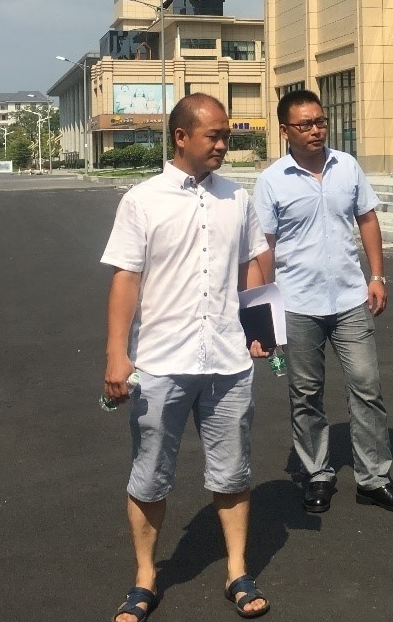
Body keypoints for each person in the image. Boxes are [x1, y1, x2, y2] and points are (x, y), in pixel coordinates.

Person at [100, 93, 272, 622]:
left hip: (227, 361)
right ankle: (145, 577)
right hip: (160, 362)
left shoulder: (236, 198)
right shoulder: (142, 201)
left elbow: (252, 265)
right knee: (150, 474)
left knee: (233, 472)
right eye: (213, 136)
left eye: (226, 137)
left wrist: (261, 330)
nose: (222, 145)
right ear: (181, 137)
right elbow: (126, 279)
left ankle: (237, 570)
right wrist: (116, 355)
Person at [253, 89, 393, 516]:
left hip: (349, 298)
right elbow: (263, 246)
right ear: (285, 130)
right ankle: (317, 474)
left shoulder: (347, 166)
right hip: (296, 303)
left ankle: (373, 479)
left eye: (320, 121)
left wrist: (377, 276)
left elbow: (367, 219)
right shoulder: (272, 181)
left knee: (367, 385)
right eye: (305, 124)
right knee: (305, 393)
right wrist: (263, 309)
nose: (316, 130)